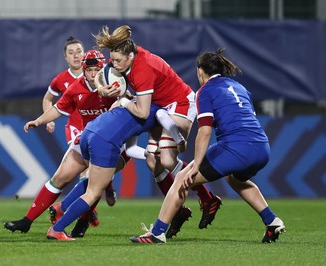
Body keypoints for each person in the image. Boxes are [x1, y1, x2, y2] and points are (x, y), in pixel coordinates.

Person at [130, 48, 286, 244]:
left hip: (236, 148)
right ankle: (271, 221)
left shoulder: (205, 91)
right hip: (262, 147)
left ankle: (157, 233)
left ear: (200, 71)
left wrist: (195, 164)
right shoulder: (239, 87)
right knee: (235, 179)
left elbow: (204, 132)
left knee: (181, 178)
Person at [94, 25, 222, 237]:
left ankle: (205, 199)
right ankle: (183, 209)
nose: (114, 64)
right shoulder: (125, 56)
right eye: (112, 60)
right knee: (153, 162)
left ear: (131, 56)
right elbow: (101, 74)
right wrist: (101, 88)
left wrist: (123, 100)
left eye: (117, 61)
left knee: (168, 161)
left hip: (180, 104)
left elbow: (143, 113)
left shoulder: (142, 68)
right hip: (162, 109)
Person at [4, 50, 121, 235]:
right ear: (83, 69)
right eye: (89, 70)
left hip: (109, 142)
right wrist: (39, 120)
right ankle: (26, 221)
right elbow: (58, 108)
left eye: (96, 69)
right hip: (86, 138)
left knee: (94, 181)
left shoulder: (115, 83)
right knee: (59, 177)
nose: (93, 74)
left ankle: (80, 222)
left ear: (103, 69)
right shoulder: (76, 88)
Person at [43, 100, 186, 241]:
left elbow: (130, 149)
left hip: (88, 132)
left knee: (94, 183)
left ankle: (63, 210)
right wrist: (179, 140)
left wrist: (148, 155)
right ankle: (57, 229)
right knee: (93, 192)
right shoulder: (160, 109)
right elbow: (162, 116)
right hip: (104, 140)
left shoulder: (137, 104)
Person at [43, 37, 117, 210]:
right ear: (65, 57)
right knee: (86, 171)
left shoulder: (104, 76)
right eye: (71, 52)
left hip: (98, 127)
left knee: (96, 169)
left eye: (79, 52)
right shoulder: (60, 80)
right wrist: (47, 119)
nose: (75, 56)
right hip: (76, 128)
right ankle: (85, 208)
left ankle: (104, 187)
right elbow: (48, 99)